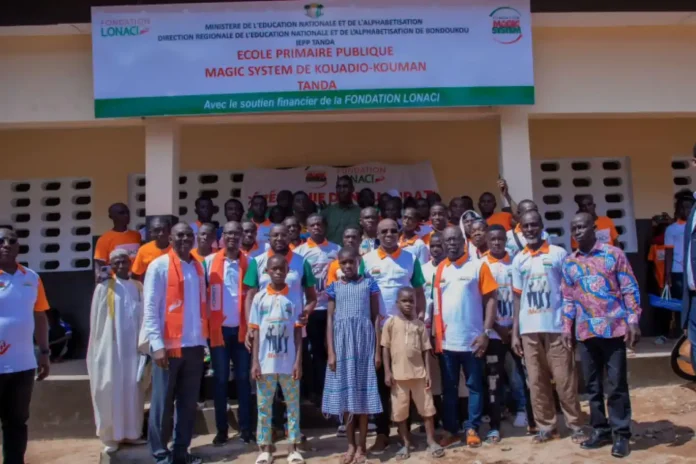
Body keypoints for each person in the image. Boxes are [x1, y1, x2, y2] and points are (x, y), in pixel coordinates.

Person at [561, 212, 641, 458]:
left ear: (594, 228)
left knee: (616, 385)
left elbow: (629, 288)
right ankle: (600, 430)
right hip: (585, 333)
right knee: (593, 386)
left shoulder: (613, 254)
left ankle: (621, 434)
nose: (577, 232)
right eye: (573, 228)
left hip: (613, 329)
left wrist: (633, 320)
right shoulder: (569, 263)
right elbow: (568, 298)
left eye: (582, 227)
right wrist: (566, 328)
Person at [142, 223, 214, 464]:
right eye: (179, 235)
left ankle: (181, 452)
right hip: (168, 347)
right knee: (162, 404)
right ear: (170, 239)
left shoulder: (197, 267)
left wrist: (203, 343)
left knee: (187, 404)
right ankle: (161, 456)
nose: (185, 239)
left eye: (188, 235)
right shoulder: (159, 266)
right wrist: (157, 344)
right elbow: (150, 307)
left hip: (194, 346)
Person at [510, 211, 584, 445]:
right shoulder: (518, 259)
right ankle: (546, 426)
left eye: (534, 225)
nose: (530, 229)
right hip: (528, 330)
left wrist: (569, 326)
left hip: (556, 327)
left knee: (565, 380)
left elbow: (570, 292)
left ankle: (575, 424)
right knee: (536, 381)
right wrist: (515, 332)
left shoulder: (559, 253)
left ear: (542, 227)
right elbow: (517, 298)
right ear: (521, 230)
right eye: (526, 226)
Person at [363, 219, 426, 453]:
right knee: (381, 384)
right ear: (376, 234)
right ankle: (381, 433)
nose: (389, 234)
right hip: (377, 329)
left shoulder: (410, 258)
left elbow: (419, 291)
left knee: (404, 382)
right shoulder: (367, 260)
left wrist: (419, 320)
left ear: (399, 233)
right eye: (384, 231)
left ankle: (405, 432)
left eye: (393, 231)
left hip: (404, 329)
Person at [432, 226, 497, 448]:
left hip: (473, 341)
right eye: (446, 240)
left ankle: (472, 428)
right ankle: (451, 430)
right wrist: (436, 337)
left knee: (475, 386)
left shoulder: (478, 266)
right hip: (448, 342)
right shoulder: (440, 269)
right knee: (448, 389)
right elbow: (436, 307)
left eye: (455, 239)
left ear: (464, 241)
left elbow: (490, 300)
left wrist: (485, 333)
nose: (451, 243)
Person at [323, 247, 382, 464]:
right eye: (343, 263)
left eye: (351, 262)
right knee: (346, 399)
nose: (347, 266)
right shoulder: (334, 288)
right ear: (339, 264)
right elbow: (329, 319)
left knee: (363, 400)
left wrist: (377, 350)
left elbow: (376, 317)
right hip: (342, 346)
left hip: (364, 346)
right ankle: (350, 445)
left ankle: (363, 447)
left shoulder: (369, 284)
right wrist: (331, 351)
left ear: (358, 262)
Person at [87, 249, 146, 453]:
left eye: (124, 261)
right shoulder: (104, 288)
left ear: (130, 263)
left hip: (134, 351)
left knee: (133, 391)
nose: (121, 265)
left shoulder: (138, 287)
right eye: (116, 262)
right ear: (111, 266)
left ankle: (131, 433)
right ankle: (111, 436)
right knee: (111, 388)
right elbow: (97, 325)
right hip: (112, 351)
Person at [0, 228, 50, 464]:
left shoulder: (31, 277)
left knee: (17, 422)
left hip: (23, 364)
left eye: (12, 241)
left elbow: (40, 316)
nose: (6, 244)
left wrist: (44, 352)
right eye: (1, 241)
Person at [482, 225, 536, 442]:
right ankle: (494, 424)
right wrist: (496, 328)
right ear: (486, 241)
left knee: (520, 376)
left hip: (515, 331)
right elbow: (482, 302)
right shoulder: (481, 264)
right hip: (494, 334)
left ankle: (528, 415)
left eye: (500, 239)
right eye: (492, 239)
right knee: (494, 379)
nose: (496, 243)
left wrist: (513, 330)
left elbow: (519, 298)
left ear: (506, 240)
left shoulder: (515, 262)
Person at [249, 255, 305, 464]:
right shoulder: (259, 298)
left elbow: (299, 333)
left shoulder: (295, 298)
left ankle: (293, 448)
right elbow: (254, 332)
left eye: (282, 268)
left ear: (288, 270)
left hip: (288, 363)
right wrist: (255, 362)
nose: (279, 272)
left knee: (292, 405)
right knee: (264, 407)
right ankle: (265, 448)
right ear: (267, 272)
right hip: (265, 363)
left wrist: (298, 361)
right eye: (274, 269)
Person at [205, 221, 254, 445]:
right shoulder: (208, 262)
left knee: (244, 379)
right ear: (221, 236)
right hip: (218, 331)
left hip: (243, 331)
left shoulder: (250, 261)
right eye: (229, 233)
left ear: (243, 235)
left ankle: (246, 429)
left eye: (237, 233)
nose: (233, 237)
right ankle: (221, 430)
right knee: (221, 380)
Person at [382, 288, 445, 460]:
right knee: (400, 412)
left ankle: (431, 441)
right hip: (398, 377)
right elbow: (385, 348)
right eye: (404, 301)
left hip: (419, 375)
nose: (408, 304)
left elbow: (426, 350)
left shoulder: (419, 324)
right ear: (397, 303)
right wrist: (387, 371)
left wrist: (428, 373)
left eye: (411, 301)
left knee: (427, 410)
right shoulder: (391, 323)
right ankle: (405, 444)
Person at [294, 214, 341, 404]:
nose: (316, 228)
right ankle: (312, 390)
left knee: (328, 350)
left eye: (319, 224)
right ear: (307, 228)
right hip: (310, 308)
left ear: (325, 226)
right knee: (308, 352)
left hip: (330, 307)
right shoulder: (300, 252)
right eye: (312, 225)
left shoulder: (336, 249)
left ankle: (328, 391)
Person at [665, 191, 695, 336]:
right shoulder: (671, 229)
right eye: (683, 208)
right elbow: (669, 253)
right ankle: (679, 331)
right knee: (679, 304)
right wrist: (667, 274)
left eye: (689, 207)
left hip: (692, 271)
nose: (686, 211)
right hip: (678, 270)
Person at [94, 203, 142, 281]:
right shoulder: (104, 239)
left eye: (127, 212)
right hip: (117, 283)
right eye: (121, 213)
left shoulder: (136, 235)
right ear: (111, 216)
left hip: (136, 281)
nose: (126, 215)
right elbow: (100, 265)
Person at [322, 176, 362, 244]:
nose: (342, 190)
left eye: (345, 186)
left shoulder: (360, 212)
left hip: (353, 253)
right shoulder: (327, 212)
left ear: (352, 189)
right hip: (330, 253)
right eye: (339, 187)